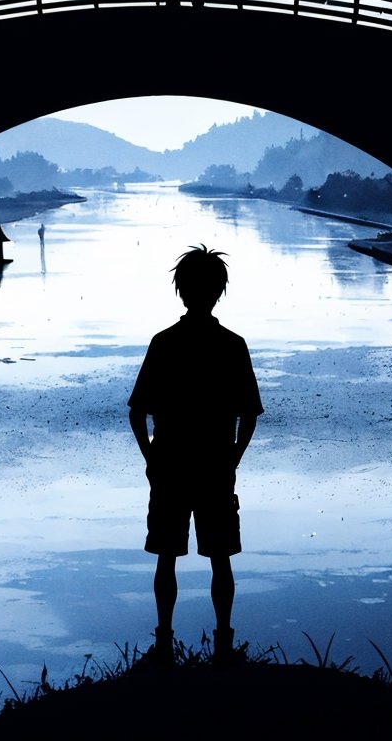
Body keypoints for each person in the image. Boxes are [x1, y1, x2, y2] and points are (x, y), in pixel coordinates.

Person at [128, 245, 263, 664]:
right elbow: (249, 415)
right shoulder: (232, 345)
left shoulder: (164, 343)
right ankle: (224, 641)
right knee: (220, 558)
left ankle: (164, 641)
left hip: (170, 463)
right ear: (218, 291)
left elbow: (137, 413)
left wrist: (152, 458)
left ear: (181, 292)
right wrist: (233, 458)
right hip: (215, 464)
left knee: (166, 556)